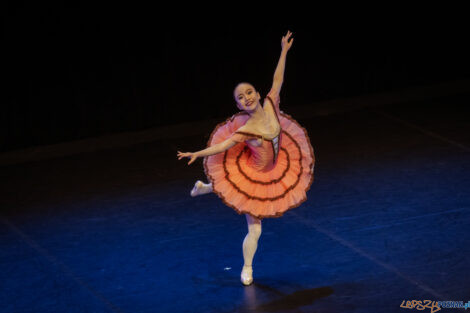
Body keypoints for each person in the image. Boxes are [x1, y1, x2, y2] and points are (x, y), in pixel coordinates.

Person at [177, 31, 315, 286]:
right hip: (253, 175)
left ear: (257, 93)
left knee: (233, 199)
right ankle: (247, 269)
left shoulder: (272, 104)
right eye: (241, 97)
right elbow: (222, 146)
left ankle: (204, 188)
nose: (247, 97)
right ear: (239, 106)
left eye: (249, 92)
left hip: (276, 168)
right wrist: (196, 153)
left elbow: (278, 78)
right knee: (256, 229)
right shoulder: (245, 130)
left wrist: (284, 50)